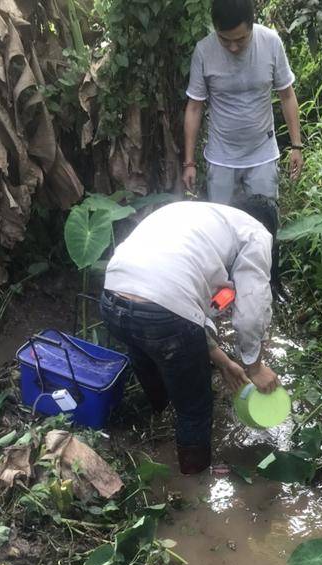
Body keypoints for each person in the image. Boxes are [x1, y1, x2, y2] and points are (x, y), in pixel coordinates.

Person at [100, 199, 279, 475]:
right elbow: (251, 308)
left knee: (147, 354)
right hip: (163, 312)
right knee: (194, 408)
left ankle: (156, 421)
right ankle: (195, 483)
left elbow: (187, 309)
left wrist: (223, 361)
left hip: (112, 299)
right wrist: (254, 366)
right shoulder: (256, 233)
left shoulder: (195, 214)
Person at [183, 0, 303, 205]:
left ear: (252, 25)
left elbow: (287, 96)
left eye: (241, 39)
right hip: (221, 158)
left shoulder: (271, 43)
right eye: (225, 39)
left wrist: (297, 146)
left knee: (263, 225)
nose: (233, 47)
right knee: (223, 228)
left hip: (262, 155)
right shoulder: (204, 51)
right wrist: (189, 162)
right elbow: (194, 108)